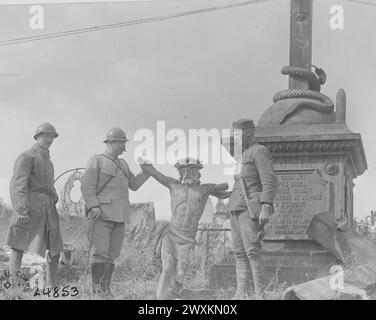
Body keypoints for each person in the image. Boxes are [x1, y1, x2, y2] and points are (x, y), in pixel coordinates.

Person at [139, 157, 230, 300]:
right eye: (185, 171)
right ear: (180, 173)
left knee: (180, 273)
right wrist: (145, 165)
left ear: (198, 173)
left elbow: (224, 188)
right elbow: (156, 174)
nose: (189, 174)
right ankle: (161, 299)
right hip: (171, 234)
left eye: (192, 171)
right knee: (167, 269)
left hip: (187, 238)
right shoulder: (173, 185)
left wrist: (221, 186)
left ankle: (174, 294)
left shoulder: (204, 189)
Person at [81, 127, 150, 299]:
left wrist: (146, 172)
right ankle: (96, 289)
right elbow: (87, 186)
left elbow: (133, 185)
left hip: (120, 216)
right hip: (101, 215)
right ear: (111, 143)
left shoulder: (123, 164)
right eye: (122, 143)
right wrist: (93, 206)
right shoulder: (96, 160)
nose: (124, 147)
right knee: (100, 252)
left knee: (112, 255)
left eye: (125, 143)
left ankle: (106, 289)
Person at [5, 123, 63, 293]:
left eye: (52, 136)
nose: (50, 139)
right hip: (29, 208)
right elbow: (18, 185)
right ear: (37, 137)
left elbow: (48, 185)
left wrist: (53, 194)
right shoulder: (27, 156)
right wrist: (21, 209)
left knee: (55, 247)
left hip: (48, 210)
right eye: (46, 135)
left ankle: (52, 286)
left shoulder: (49, 162)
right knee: (18, 245)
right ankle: (15, 287)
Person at [227, 118, 278, 300]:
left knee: (252, 252)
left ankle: (260, 295)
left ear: (249, 132)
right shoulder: (242, 155)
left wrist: (266, 207)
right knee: (239, 253)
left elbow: (269, 181)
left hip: (250, 208)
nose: (236, 138)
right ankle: (241, 294)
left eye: (239, 134)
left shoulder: (260, 151)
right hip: (236, 208)